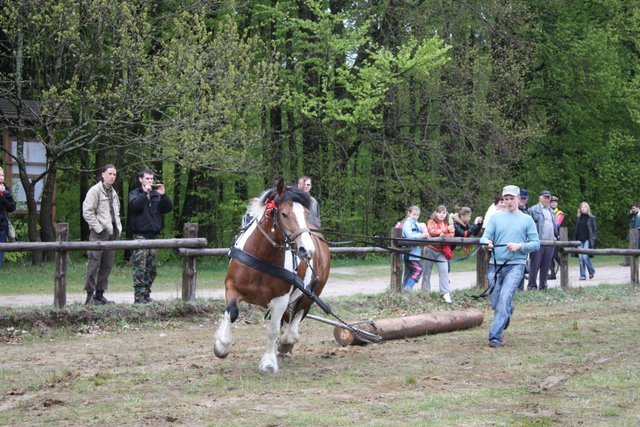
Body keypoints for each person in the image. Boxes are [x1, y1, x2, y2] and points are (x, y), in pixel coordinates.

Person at [479, 185, 540, 348]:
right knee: (495, 302)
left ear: (519, 199)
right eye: (506, 199)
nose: (508, 202)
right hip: (495, 265)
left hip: (516, 265)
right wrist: (487, 243)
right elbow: (484, 238)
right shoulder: (495, 218)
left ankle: (495, 337)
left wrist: (520, 246)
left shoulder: (527, 220)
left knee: (505, 297)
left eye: (511, 198)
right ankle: (507, 311)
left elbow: (535, 244)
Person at [128, 168, 173, 304]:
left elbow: (167, 208)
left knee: (152, 269)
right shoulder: (135, 193)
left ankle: (146, 295)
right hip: (139, 237)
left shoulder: (156, 195)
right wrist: (145, 193)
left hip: (153, 237)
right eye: (147, 178)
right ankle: (139, 298)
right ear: (141, 179)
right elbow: (135, 206)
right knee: (139, 269)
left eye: (152, 179)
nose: (150, 181)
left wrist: (163, 195)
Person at [82, 164, 122, 305]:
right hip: (98, 234)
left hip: (112, 234)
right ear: (103, 174)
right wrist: (98, 228)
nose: (112, 177)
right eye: (110, 173)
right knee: (94, 264)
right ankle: (89, 297)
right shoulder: (95, 191)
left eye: (114, 174)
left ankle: (100, 295)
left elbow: (115, 213)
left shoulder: (113, 192)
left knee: (107, 265)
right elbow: (87, 211)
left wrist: (118, 229)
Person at [421, 205, 455, 303]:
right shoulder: (431, 222)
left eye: (444, 213)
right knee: (427, 271)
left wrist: (444, 233)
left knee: (444, 271)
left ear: (446, 214)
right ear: (436, 213)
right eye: (440, 212)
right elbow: (432, 231)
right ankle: (425, 292)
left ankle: (445, 293)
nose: (441, 214)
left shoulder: (446, 223)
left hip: (441, 251)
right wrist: (444, 231)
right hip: (430, 249)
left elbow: (452, 234)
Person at [527, 190, 558, 290]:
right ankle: (532, 286)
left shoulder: (552, 211)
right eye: (544, 197)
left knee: (546, 266)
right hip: (537, 242)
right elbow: (528, 226)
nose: (546, 199)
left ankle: (543, 286)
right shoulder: (533, 209)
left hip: (550, 243)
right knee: (535, 265)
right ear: (540, 198)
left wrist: (555, 237)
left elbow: (554, 226)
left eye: (548, 198)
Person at [401, 205, 428, 290]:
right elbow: (410, 236)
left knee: (409, 272)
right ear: (409, 213)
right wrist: (422, 235)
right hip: (409, 253)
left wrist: (424, 231)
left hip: (414, 252)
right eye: (414, 214)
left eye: (417, 215)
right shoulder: (408, 223)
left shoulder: (416, 223)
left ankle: (403, 290)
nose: (415, 216)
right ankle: (408, 288)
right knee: (419, 269)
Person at [573, 202, 597, 280]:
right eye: (582, 207)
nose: (583, 208)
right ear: (580, 209)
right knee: (580, 258)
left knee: (585, 257)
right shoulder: (578, 218)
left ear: (587, 208)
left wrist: (593, 239)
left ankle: (591, 271)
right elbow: (576, 230)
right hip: (579, 240)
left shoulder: (591, 218)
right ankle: (582, 275)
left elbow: (594, 230)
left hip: (587, 240)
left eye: (585, 207)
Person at [0, 166, 17, 269]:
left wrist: (2, 195)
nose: (1, 177)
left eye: (2, 175)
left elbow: (12, 207)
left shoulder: (6, 190)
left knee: (1, 250)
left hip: (2, 226)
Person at [548, 195, 565, 280]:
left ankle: (564, 266)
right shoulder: (547, 211)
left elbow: (557, 224)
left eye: (555, 202)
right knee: (550, 256)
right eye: (552, 202)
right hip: (547, 236)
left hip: (556, 237)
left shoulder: (560, 213)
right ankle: (552, 273)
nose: (554, 203)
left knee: (554, 255)